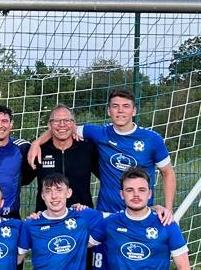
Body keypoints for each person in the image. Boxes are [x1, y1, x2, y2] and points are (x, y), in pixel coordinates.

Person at [29, 88, 174, 220]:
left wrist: (168, 209)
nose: (120, 111)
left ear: (134, 111)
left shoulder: (152, 139)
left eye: (126, 106)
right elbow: (63, 128)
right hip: (106, 214)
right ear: (109, 111)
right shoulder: (98, 133)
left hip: (140, 213)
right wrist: (37, 142)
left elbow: (168, 173)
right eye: (115, 106)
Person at [31, 105, 97, 212]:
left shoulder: (88, 148)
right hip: (48, 218)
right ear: (49, 125)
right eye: (56, 121)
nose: (62, 124)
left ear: (73, 124)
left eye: (67, 120)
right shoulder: (38, 150)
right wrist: (36, 143)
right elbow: (21, 180)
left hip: (81, 215)